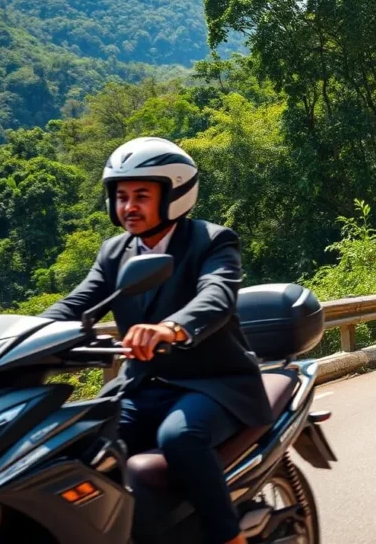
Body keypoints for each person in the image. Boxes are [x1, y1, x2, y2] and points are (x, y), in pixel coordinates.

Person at [41, 137, 271, 544]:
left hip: (214, 384)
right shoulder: (114, 253)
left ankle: (228, 536)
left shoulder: (212, 241)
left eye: (141, 195)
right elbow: (77, 304)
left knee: (180, 438)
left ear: (176, 192)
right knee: (76, 442)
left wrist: (170, 328)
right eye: (121, 195)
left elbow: (215, 297)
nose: (128, 206)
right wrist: (17, 335)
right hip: (142, 386)